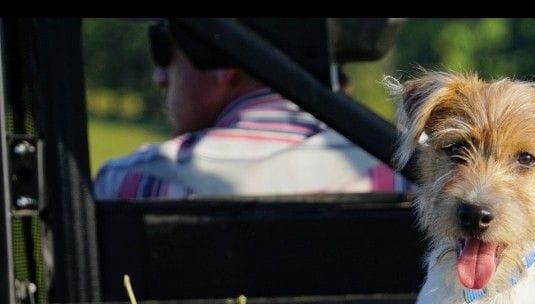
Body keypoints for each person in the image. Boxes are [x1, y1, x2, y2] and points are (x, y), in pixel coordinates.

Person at [93, 21, 407, 200]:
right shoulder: (412, 178)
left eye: (163, 47)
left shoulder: (129, 182)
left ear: (222, 60)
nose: (159, 76)